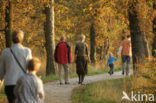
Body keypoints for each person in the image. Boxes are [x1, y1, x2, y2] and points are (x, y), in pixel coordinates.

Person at [0, 30, 32, 103]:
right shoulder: (27, 51)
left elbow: (1, 71)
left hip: (9, 84)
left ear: (12, 38)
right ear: (22, 38)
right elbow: (30, 69)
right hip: (22, 83)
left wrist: (1, 81)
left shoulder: (5, 52)